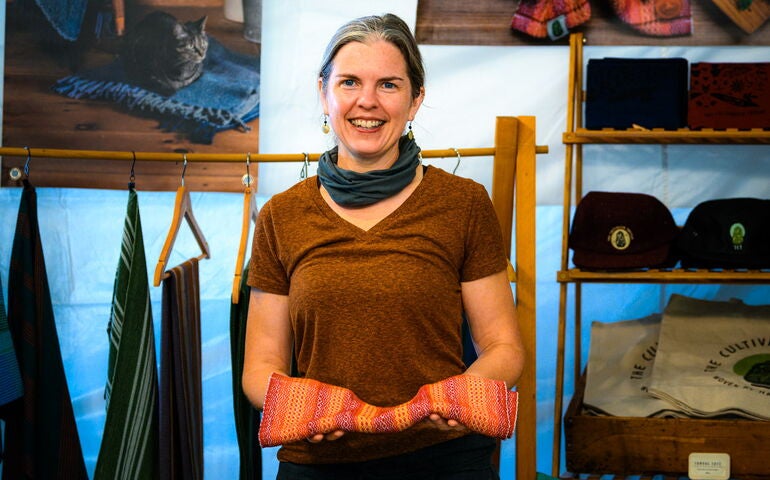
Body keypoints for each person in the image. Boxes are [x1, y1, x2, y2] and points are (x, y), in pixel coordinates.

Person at [242, 12, 526, 479]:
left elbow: (503, 346)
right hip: (319, 466)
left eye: (389, 85)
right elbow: (261, 365)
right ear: (324, 93)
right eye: (350, 82)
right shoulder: (281, 216)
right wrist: (304, 406)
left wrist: (458, 394)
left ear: (415, 101)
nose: (367, 102)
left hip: (446, 462)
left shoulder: (464, 204)